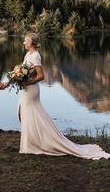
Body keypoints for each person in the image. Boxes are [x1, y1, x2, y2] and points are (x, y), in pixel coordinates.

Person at [7, 32, 110, 160]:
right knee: (24, 113)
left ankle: (38, 143)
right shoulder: (28, 54)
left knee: (32, 113)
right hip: (26, 88)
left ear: (31, 43)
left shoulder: (36, 56)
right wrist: (16, 75)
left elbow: (41, 76)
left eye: (25, 41)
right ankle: (33, 142)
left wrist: (27, 81)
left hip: (32, 89)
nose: (23, 43)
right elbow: (24, 70)